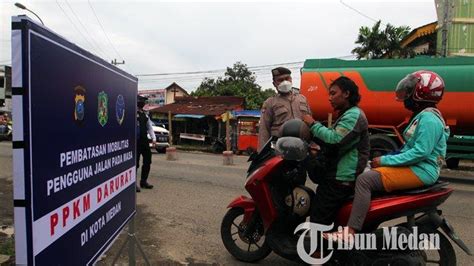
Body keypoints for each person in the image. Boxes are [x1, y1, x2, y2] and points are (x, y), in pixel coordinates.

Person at [326, 70, 450, 240]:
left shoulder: (429, 118)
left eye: (409, 90)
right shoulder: (424, 116)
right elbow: (409, 149)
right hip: (418, 167)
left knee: (365, 180)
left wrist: (385, 160)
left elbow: (420, 152)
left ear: (421, 93)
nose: (405, 95)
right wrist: (385, 161)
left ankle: (350, 231)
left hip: (422, 170)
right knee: (367, 171)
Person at [302, 76, 369, 228]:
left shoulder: (354, 115)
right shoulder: (347, 114)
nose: (330, 98)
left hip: (341, 178)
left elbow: (334, 140)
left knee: (318, 219)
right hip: (337, 175)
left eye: (333, 93)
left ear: (346, 94)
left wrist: (313, 124)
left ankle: (317, 250)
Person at [258, 67, 311, 151]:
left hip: (302, 147)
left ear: (291, 79)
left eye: (287, 78)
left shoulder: (302, 99)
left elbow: (310, 123)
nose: (285, 82)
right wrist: (262, 153)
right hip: (280, 149)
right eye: (280, 80)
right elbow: (264, 130)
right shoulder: (270, 102)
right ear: (274, 83)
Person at [136, 96, 156, 192]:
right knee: (135, 163)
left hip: (144, 141)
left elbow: (149, 127)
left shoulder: (145, 114)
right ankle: (133, 183)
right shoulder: (132, 113)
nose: (142, 103)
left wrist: (153, 138)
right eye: (141, 101)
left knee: (147, 160)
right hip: (135, 141)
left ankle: (143, 181)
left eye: (144, 101)